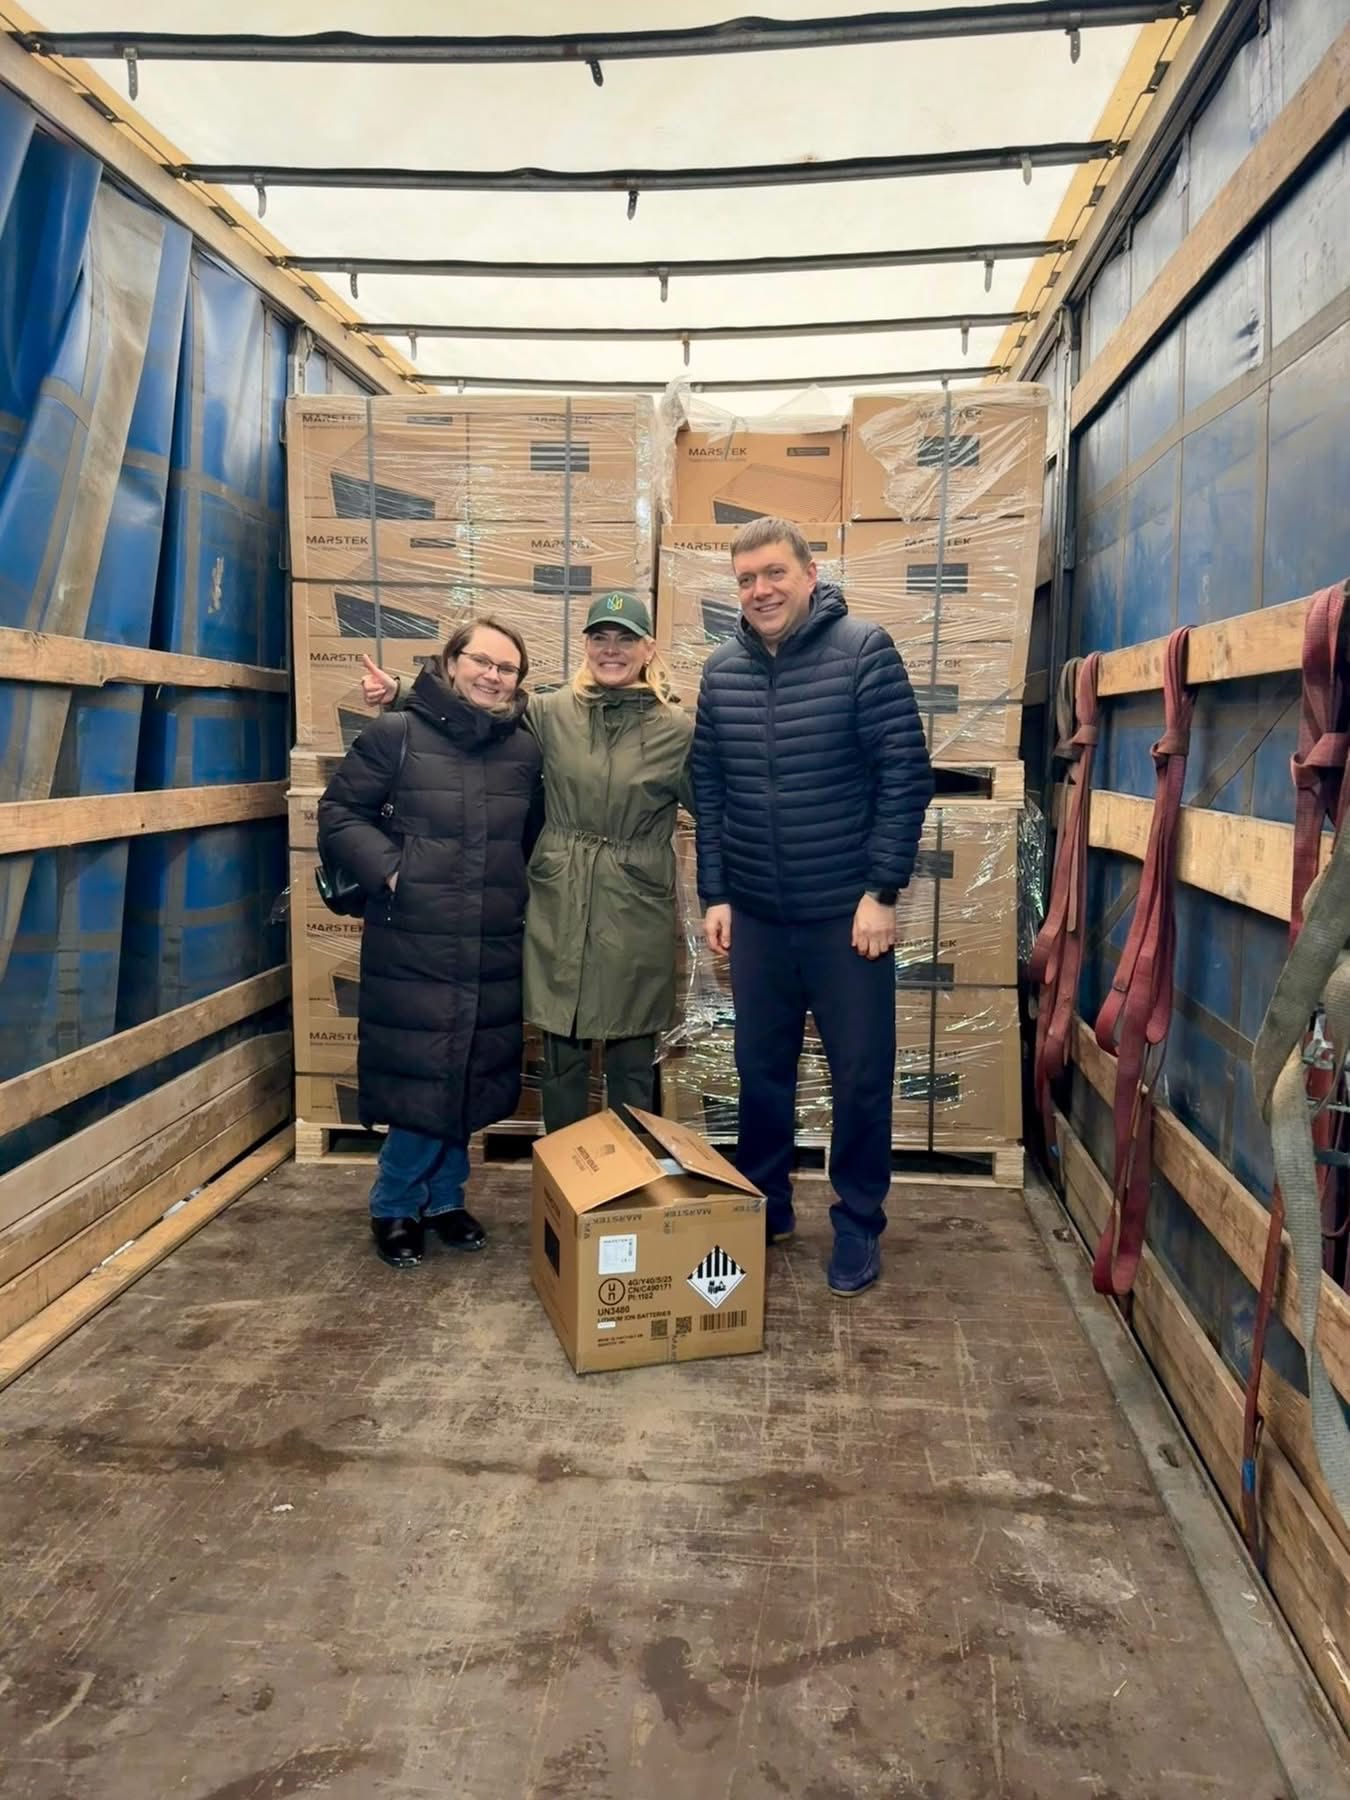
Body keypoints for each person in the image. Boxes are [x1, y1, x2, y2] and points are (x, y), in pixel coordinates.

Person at [691, 516, 933, 1298]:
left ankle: (858, 1221)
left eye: (774, 573)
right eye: (746, 579)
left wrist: (881, 892)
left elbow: (905, 775)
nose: (760, 590)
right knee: (760, 1072)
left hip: (845, 919)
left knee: (860, 1075)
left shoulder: (863, 651)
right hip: (758, 915)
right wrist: (716, 892)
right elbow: (709, 790)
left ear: (809, 574)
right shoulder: (721, 672)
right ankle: (766, 1206)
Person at [360, 590, 692, 1133]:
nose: (611, 649)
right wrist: (399, 691)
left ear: (648, 649)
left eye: (625, 639)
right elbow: (476, 710)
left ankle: (632, 1173)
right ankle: (565, 1171)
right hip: (560, 893)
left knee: (632, 1049)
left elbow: (718, 807)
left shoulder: (677, 730)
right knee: (561, 1047)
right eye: (600, 638)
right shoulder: (549, 711)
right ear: (585, 645)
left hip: (634, 899)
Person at [318, 618, 543, 1270]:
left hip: (491, 939)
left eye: (507, 668)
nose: (493, 675)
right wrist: (395, 872)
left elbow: (531, 835)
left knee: (467, 1073)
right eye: (482, 661)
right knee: (424, 1078)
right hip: (414, 940)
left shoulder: (524, 751)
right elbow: (339, 813)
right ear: (451, 662)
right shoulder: (397, 735)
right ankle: (394, 1204)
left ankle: (444, 1199)